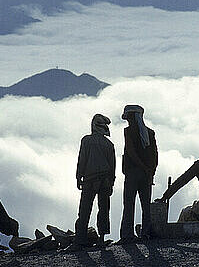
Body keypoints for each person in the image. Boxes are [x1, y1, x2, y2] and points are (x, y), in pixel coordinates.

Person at [67, 114, 116, 252]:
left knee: (84, 210)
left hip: (89, 179)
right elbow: (112, 166)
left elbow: (82, 159)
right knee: (104, 209)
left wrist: (78, 177)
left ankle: (80, 240)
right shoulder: (109, 144)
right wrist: (112, 182)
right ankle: (101, 238)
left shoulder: (86, 140)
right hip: (105, 181)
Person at [118, 104, 158, 243]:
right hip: (147, 173)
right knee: (145, 204)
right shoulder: (150, 132)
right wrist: (151, 170)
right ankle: (146, 233)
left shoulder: (128, 131)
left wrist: (143, 167)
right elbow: (154, 154)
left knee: (129, 203)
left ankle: (127, 235)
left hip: (132, 172)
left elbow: (131, 151)